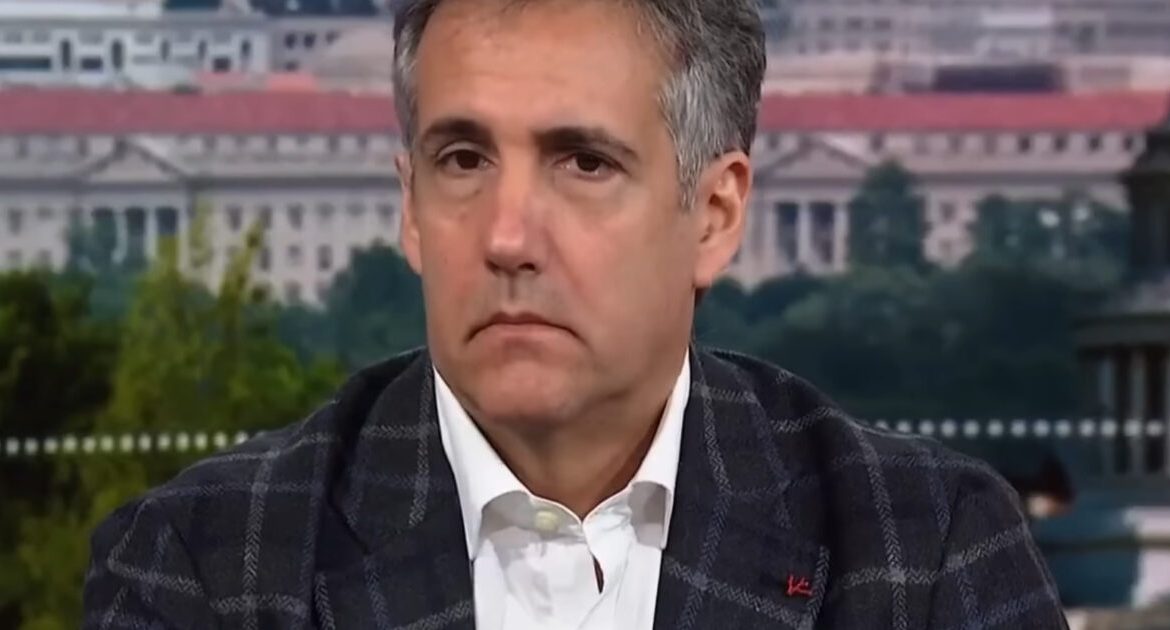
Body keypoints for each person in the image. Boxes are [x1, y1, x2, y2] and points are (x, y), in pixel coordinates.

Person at [82, 0, 1069, 628]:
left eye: (584, 163)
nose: (508, 237)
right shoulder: (205, 566)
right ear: (410, 209)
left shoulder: (923, 554)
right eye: (462, 160)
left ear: (714, 215)